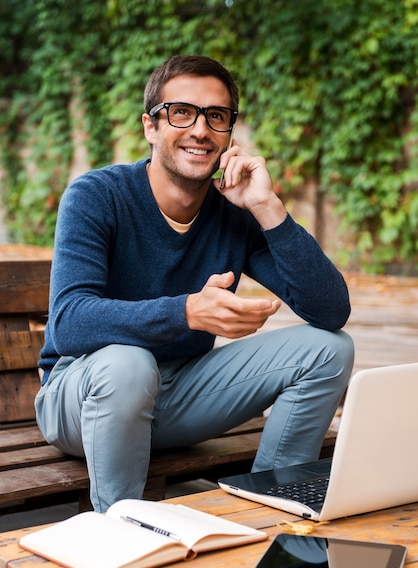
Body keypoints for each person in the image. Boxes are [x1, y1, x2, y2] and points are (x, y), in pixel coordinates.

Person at [35, 55, 354, 512]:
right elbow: (69, 323)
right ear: (151, 127)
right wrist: (186, 311)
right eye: (182, 112)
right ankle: (119, 534)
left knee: (330, 349)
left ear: (229, 133)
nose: (200, 130)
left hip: (178, 395)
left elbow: (330, 310)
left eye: (216, 116)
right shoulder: (97, 195)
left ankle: (270, 513)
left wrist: (267, 208)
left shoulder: (234, 213)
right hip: (83, 398)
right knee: (128, 364)